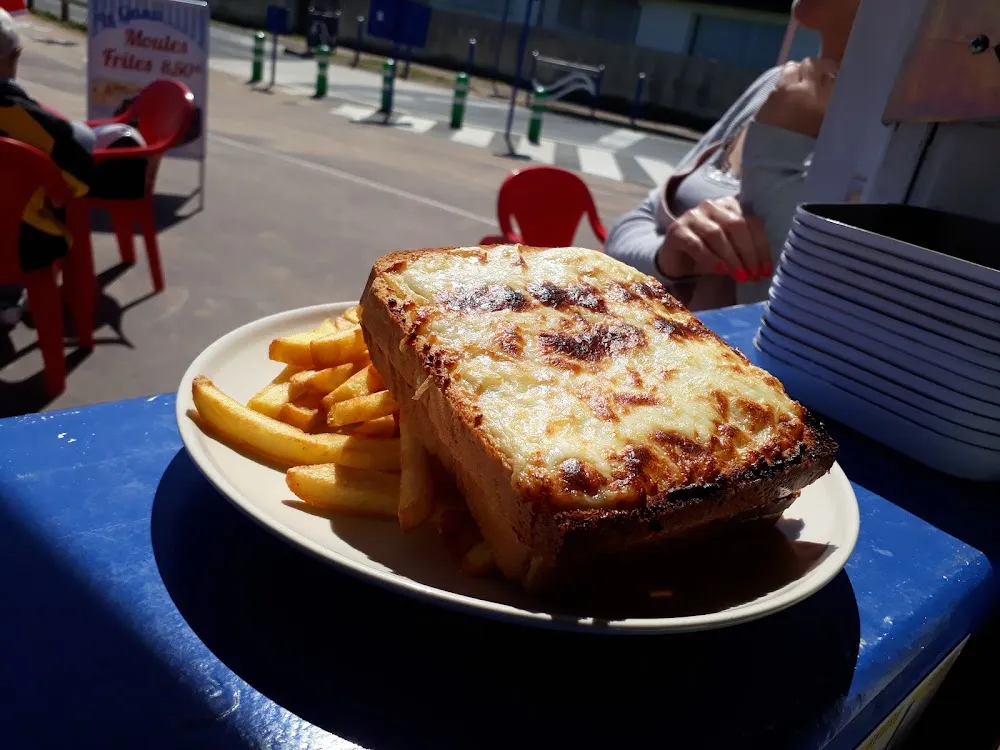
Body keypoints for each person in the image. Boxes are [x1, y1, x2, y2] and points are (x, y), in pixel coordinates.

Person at [604, 0, 860, 310]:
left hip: (724, 356)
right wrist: (668, 255)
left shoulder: (902, 136)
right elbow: (626, 231)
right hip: (649, 338)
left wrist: (778, 149)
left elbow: (806, 312)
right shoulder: (776, 84)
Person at [0, 9, 146, 327]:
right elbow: (78, 173)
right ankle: (10, 298)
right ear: (14, 58)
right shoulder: (22, 118)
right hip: (16, 247)